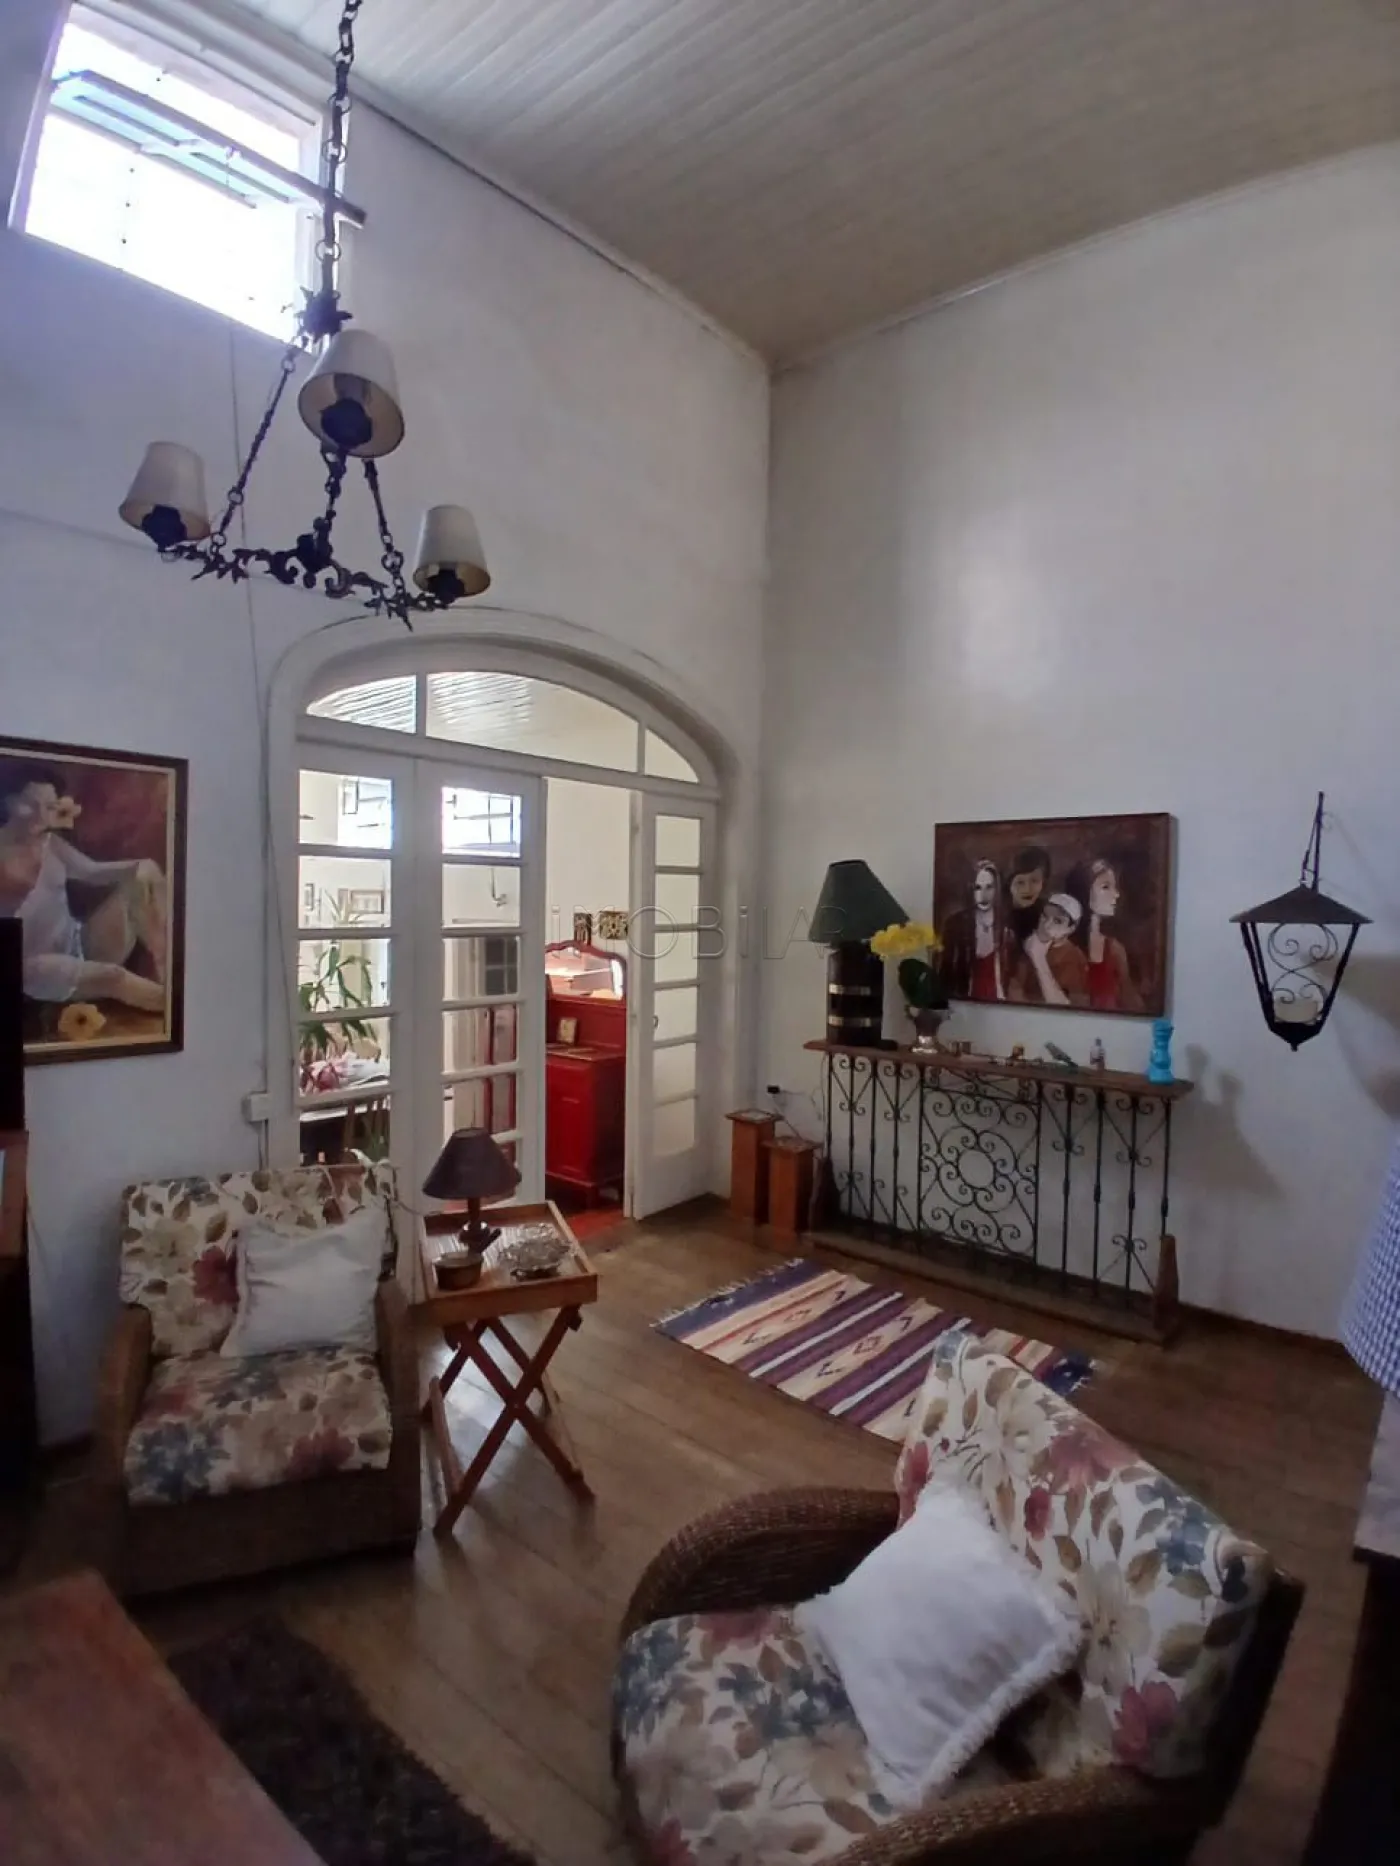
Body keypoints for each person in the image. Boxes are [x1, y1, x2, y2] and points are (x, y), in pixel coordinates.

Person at [0, 760, 168, 1017]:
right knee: (114, 977)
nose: (41, 815)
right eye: (30, 804)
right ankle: (184, 1006)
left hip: (81, 943)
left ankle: (167, 967)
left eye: (49, 807)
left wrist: (140, 865)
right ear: (8, 801)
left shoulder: (50, 843)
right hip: (33, 967)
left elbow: (92, 872)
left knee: (136, 882)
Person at [1065, 856, 1143, 1013]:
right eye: (1106, 887)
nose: (1116, 894)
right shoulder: (1064, 948)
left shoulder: (1114, 949)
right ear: (1084, 891)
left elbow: (1133, 1004)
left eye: (1115, 887)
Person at [941, 857, 1008, 1000]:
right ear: (970, 889)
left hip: (1001, 1004)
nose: (983, 895)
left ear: (997, 889)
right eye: (978, 888)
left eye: (989, 887)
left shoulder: (1006, 926)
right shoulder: (956, 924)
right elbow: (946, 972)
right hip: (966, 1003)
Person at [1008, 893, 1090, 1006]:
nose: (1046, 925)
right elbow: (1014, 990)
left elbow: (1069, 1009)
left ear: (1070, 929)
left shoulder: (1076, 958)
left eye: (1057, 921)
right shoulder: (1029, 945)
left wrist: (1038, 958)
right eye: (1045, 916)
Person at [1004, 845, 1052, 944]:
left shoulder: (1047, 915)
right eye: (1020, 882)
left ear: (1043, 882)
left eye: (1034, 881)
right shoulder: (999, 915)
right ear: (1009, 884)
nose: (1027, 889)